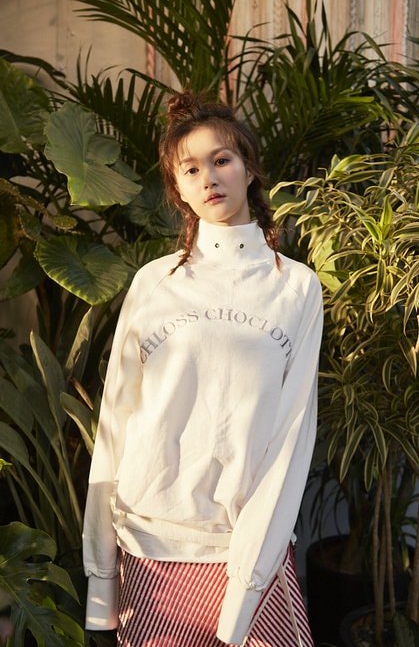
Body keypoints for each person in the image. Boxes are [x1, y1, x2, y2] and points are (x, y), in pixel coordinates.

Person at [82, 91, 323, 647]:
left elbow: (292, 436)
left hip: (244, 548)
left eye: (221, 160)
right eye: (190, 169)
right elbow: (115, 424)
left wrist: (247, 584)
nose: (209, 177)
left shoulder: (295, 287)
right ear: (178, 189)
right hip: (147, 547)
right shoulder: (154, 281)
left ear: (249, 168)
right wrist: (101, 585)